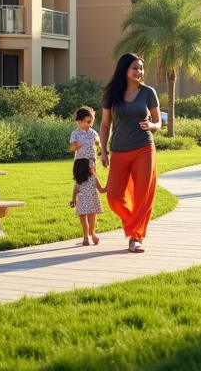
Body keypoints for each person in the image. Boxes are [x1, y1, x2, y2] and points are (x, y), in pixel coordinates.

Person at [99, 53, 161, 254]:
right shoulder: (112, 94)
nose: (139, 71)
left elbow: (158, 122)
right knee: (114, 197)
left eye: (141, 68)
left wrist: (151, 125)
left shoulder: (148, 92)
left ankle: (136, 237)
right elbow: (105, 123)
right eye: (135, 67)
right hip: (119, 149)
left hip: (144, 148)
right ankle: (132, 225)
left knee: (143, 196)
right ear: (124, 69)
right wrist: (103, 151)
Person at [70, 106, 105, 245]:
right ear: (79, 121)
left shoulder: (93, 133)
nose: (90, 124)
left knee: (90, 183)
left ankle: (92, 233)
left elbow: (99, 144)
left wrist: (98, 143)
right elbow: (71, 147)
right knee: (80, 183)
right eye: (87, 121)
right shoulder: (75, 133)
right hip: (80, 164)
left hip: (91, 163)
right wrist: (76, 146)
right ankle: (85, 236)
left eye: (92, 121)